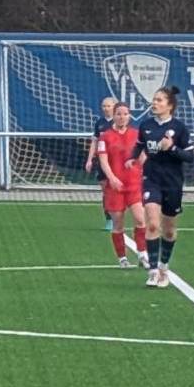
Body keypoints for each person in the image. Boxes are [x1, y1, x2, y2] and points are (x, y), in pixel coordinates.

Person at [131, 85, 194, 289]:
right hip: (151, 179)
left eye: (159, 100)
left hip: (173, 183)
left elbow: (190, 156)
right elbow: (140, 144)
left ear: (170, 105)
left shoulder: (180, 128)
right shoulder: (146, 125)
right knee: (151, 224)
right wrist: (133, 158)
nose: (155, 103)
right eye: (154, 99)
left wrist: (172, 148)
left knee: (169, 231)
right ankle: (152, 271)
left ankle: (164, 267)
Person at [94, 101, 148, 268]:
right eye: (119, 114)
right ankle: (122, 258)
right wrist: (112, 178)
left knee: (140, 219)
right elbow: (103, 161)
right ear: (114, 116)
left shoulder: (137, 135)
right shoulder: (105, 137)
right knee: (118, 223)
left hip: (134, 184)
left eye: (125, 114)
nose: (122, 117)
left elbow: (142, 157)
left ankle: (142, 254)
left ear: (129, 116)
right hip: (115, 187)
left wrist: (147, 170)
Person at [84, 97, 117, 232]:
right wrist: (89, 159)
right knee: (106, 191)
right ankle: (109, 219)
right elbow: (95, 142)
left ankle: (117, 217)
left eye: (108, 106)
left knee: (116, 190)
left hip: (117, 162)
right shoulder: (100, 123)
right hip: (102, 162)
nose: (105, 108)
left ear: (115, 106)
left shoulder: (120, 122)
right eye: (104, 106)